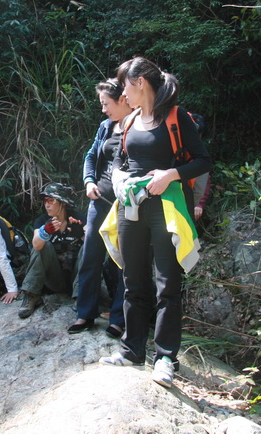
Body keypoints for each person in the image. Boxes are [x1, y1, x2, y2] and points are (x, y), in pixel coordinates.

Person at [99, 56, 210, 389]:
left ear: (140, 83)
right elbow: (118, 159)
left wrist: (171, 174)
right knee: (132, 280)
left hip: (167, 208)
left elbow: (204, 160)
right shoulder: (130, 121)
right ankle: (133, 350)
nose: (123, 95)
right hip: (131, 207)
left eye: (124, 87)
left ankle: (165, 358)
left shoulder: (177, 118)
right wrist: (118, 177)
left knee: (167, 284)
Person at [68, 78, 132, 337]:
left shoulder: (139, 127)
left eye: (106, 104)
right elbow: (91, 156)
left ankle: (119, 318)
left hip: (126, 205)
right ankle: (85, 314)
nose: (103, 109)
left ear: (122, 100)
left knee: (123, 262)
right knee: (90, 256)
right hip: (99, 200)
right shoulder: (106, 127)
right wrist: (88, 181)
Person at [18, 183, 85, 319]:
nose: (47, 205)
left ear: (63, 203)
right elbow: (36, 245)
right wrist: (45, 232)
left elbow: (94, 240)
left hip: (76, 277)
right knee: (42, 245)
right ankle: (31, 294)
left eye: (51, 201)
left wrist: (84, 230)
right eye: (45, 202)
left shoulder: (78, 218)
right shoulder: (42, 221)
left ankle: (82, 296)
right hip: (55, 279)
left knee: (88, 247)